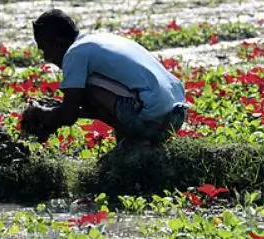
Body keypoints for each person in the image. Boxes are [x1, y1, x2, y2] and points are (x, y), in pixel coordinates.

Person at [21, 9, 188, 148]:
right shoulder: (99, 40)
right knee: (88, 93)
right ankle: (129, 144)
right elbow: (84, 108)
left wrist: (43, 114)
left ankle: (139, 143)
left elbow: (69, 115)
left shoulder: (75, 53)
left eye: (44, 49)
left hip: (153, 118)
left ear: (58, 43)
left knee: (86, 91)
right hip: (176, 116)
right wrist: (58, 111)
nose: (46, 57)